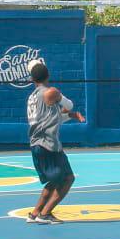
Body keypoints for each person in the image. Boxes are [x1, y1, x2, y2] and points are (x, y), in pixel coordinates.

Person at [25, 61, 84, 225]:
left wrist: (70, 116)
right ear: (48, 76)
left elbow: (50, 118)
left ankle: (35, 213)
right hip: (48, 144)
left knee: (55, 181)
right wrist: (68, 109)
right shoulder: (51, 92)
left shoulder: (32, 98)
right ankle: (45, 214)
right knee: (68, 178)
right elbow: (69, 104)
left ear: (32, 79)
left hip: (36, 145)